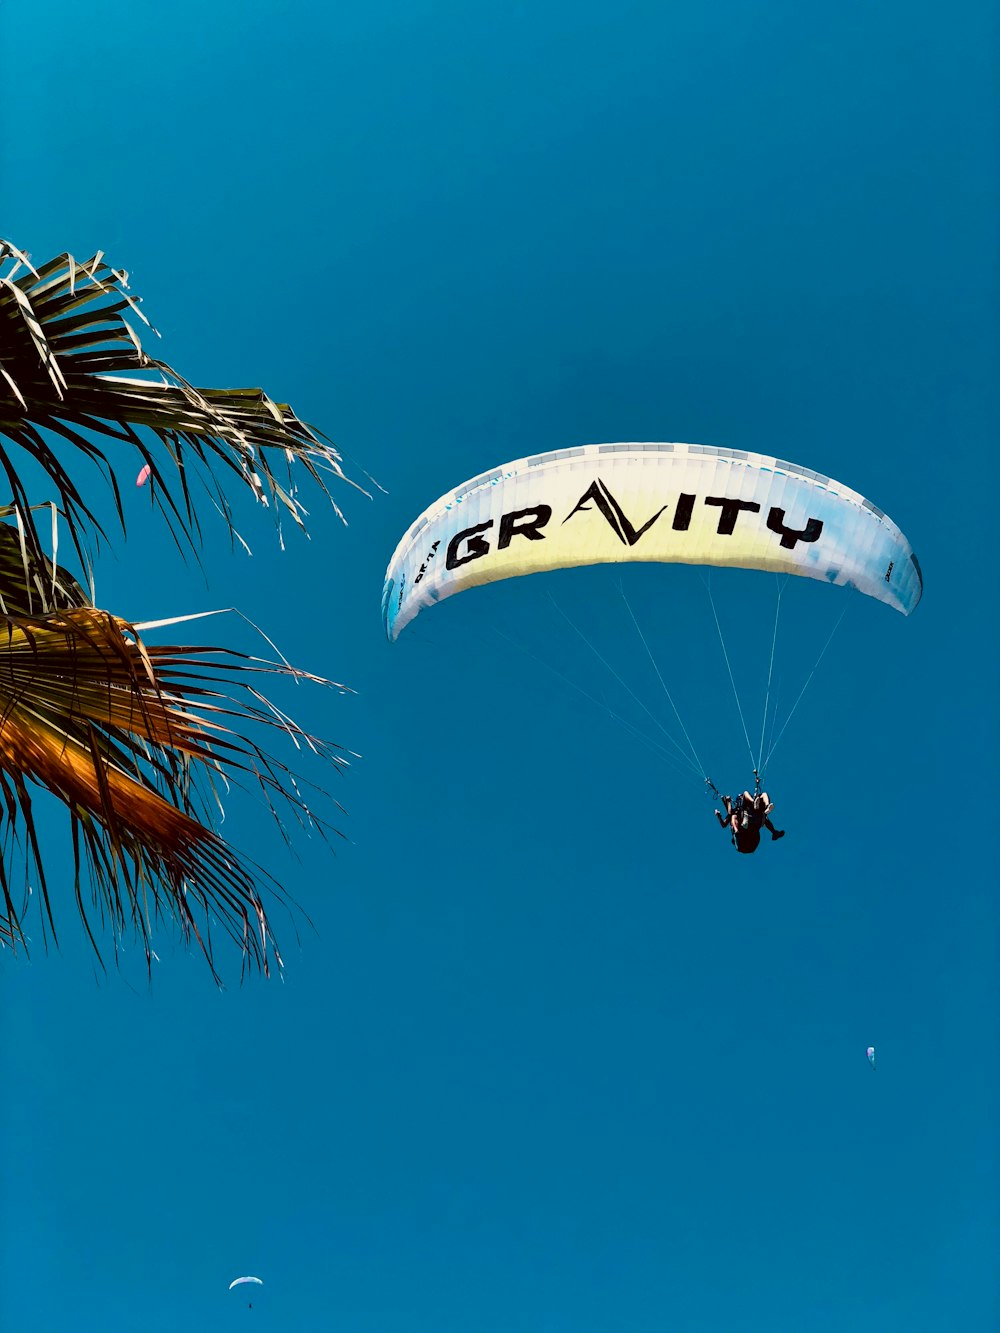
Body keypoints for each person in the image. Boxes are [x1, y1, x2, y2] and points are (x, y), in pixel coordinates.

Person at [714, 789, 785, 854]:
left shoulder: (750, 810)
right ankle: (738, 830)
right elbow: (726, 820)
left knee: (762, 809)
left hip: (752, 834)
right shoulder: (736, 812)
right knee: (734, 815)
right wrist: (719, 815)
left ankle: (767, 807)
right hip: (743, 841)